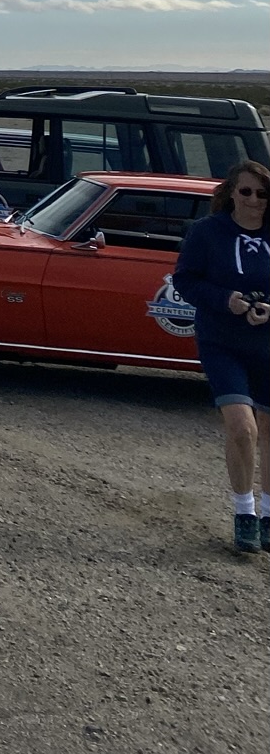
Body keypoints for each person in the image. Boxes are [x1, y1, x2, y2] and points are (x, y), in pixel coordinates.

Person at [174, 160, 270, 554]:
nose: (254, 200)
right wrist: (223, 299)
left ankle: (268, 516)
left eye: (262, 193)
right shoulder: (207, 232)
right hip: (222, 342)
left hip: (267, 344)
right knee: (243, 428)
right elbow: (185, 279)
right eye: (246, 191)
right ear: (231, 192)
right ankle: (244, 512)